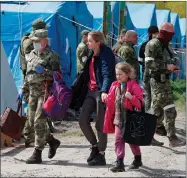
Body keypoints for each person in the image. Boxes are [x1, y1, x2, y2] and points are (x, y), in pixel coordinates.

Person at [73, 31, 116, 166]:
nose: (87, 42)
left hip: (100, 92)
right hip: (90, 91)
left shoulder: (105, 53)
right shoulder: (92, 53)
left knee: (100, 124)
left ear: (98, 42)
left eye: (90, 41)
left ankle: (101, 154)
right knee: (82, 120)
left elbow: (107, 73)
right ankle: (95, 146)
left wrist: (104, 91)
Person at [21, 29, 61, 164]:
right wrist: (24, 89)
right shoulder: (31, 54)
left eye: (37, 41)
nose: (34, 43)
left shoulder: (52, 56)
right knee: (31, 121)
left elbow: (58, 76)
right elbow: (28, 73)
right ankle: (51, 140)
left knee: (39, 120)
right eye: (33, 41)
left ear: (45, 41)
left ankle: (37, 153)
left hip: (45, 92)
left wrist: (45, 71)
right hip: (32, 92)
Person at [145, 22, 181, 147]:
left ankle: (150, 135)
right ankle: (171, 138)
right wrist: (166, 66)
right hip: (156, 81)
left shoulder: (166, 44)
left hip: (165, 81)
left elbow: (171, 58)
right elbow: (149, 63)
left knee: (160, 110)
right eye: (169, 34)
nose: (170, 36)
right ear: (163, 32)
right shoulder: (153, 44)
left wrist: (174, 67)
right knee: (165, 109)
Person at [103, 62, 143, 172]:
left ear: (128, 74)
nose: (118, 77)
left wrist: (131, 98)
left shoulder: (134, 86)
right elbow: (111, 101)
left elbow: (140, 104)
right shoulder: (115, 86)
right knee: (118, 140)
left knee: (132, 142)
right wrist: (106, 97)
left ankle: (138, 159)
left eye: (120, 74)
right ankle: (120, 163)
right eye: (117, 74)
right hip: (118, 119)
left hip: (130, 120)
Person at [19, 18, 50, 147]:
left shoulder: (26, 38)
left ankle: (38, 137)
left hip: (34, 78)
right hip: (31, 77)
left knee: (36, 114)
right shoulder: (29, 42)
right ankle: (29, 135)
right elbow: (30, 60)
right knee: (32, 113)